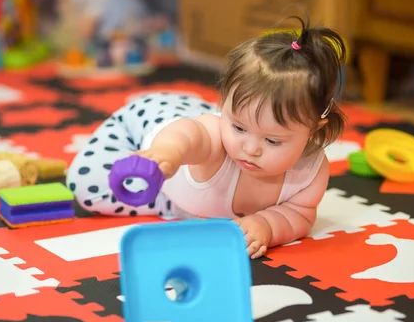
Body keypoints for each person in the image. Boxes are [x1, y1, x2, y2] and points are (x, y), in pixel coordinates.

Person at [66, 15, 347, 259]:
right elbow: (191, 135)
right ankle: (170, 198)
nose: (250, 149)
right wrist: (167, 154)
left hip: (205, 126)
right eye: (239, 128)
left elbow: (300, 215)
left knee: (225, 124)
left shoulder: (310, 171)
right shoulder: (217, 140)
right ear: (224, 101)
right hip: (147, 121)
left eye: (272, 141)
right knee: (86, 187)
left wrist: (267, 225)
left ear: (314, 130)